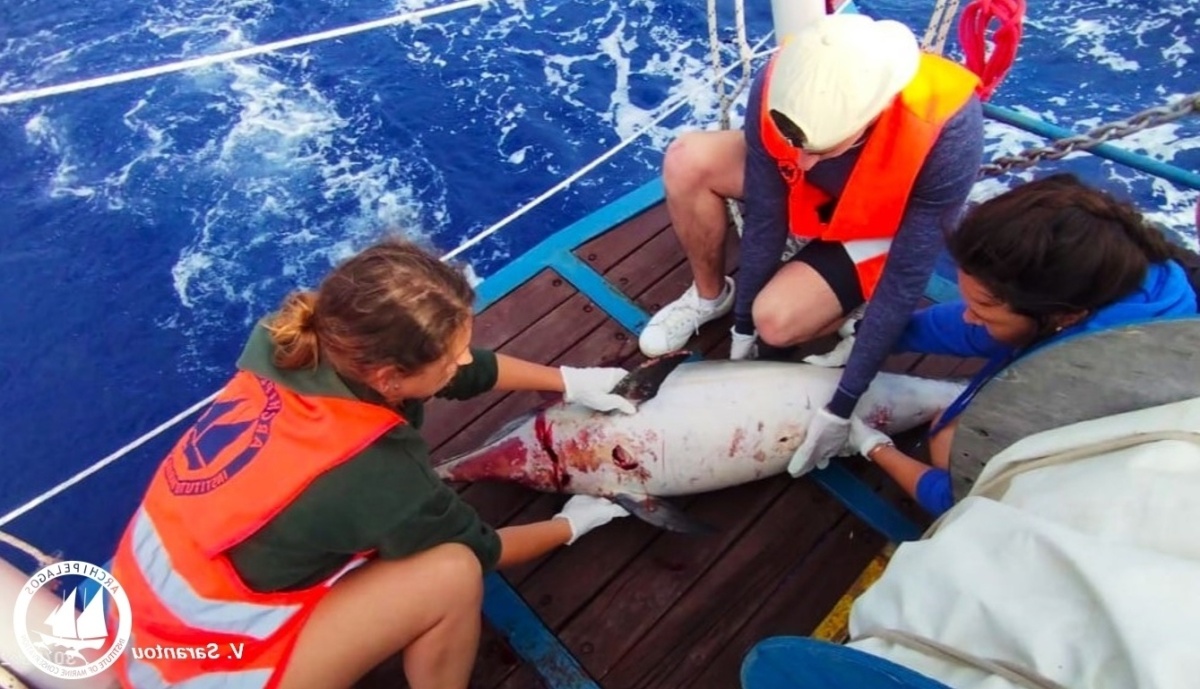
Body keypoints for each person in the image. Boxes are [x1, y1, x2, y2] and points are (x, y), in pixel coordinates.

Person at [108, 238, 638, 689]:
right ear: (386, 379)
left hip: (131, 603)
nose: (462, 363)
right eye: (450, 358)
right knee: (453, 574)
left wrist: (570, 380)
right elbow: (485, 548)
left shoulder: (291, 338)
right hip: (188, 667)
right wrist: (573, 522)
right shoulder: (373, 472)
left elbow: (454, 370)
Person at [635, 12, 986, 478]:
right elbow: (766, 210)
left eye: (819, 148)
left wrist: (843, 405)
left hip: (877, 226)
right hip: (817, 201)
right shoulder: (787, 77)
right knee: (688, 160)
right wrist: (741, 329)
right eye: (795, 144)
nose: (800, 160)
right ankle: (711, 297)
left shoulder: (949, 129)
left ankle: (848, 309)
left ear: (871, 118)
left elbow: (906, 278)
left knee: (776, 323)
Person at [842, 174, 1200, 517]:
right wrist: (874, 334)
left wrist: (875, 448)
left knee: (948, 449)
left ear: (1066, 317)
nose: (969, 316)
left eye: (982, 308)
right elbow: (973, 329)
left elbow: (974, 497)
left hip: (1119, 490)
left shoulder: (1084, 388)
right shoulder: (1117, 272)